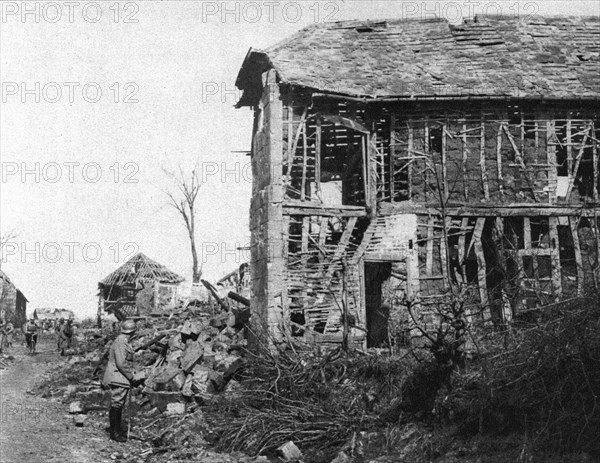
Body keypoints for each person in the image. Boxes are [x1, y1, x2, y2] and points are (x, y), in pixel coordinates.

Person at [103, 319, 140, 442]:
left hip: (120, 377)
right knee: (117, 404)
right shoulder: (121, 342)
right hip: (118, 377)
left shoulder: (123, 341)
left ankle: (117, 431)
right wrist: (131, 376)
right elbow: (121, 363)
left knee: (118, 404)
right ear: (132, 332)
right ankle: (115, 433)